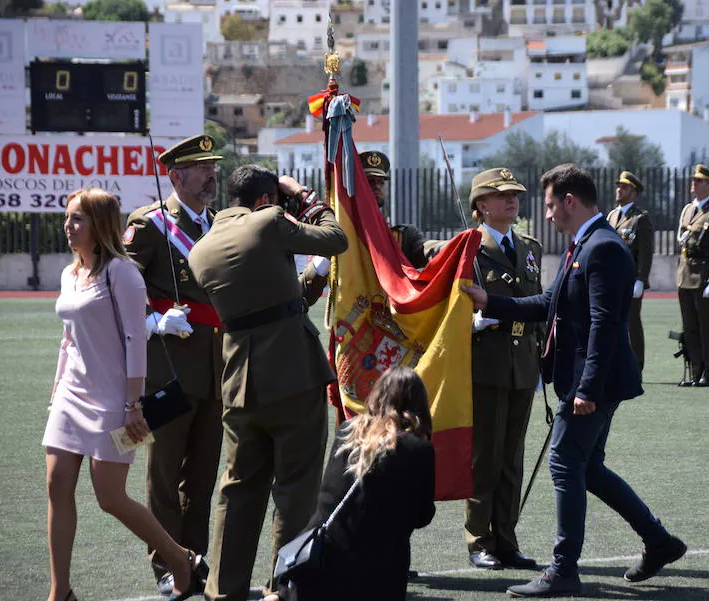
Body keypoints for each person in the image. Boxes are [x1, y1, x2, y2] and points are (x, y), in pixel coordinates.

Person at [462, 164, 685, 598]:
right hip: (589, 380)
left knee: (565, 463)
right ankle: (659, 541)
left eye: (549, 205)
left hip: (592, 384)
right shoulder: (584, 244)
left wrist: (586, 389)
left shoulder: (602, 247)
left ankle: (564, 569)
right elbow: (549, 301)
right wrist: (492, 301)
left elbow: (604, 323)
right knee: (590, 470)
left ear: (569, 201)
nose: (545, 215)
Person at [187, 164, 348, 601]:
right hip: (293, 376)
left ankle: (224, 589)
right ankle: (286, 585)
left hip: (239, 383)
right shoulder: (269, 220)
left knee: (238, 489)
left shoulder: (200, 250)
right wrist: (306, 196)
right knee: (296, 489)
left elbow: (257, 302)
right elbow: (336, 239)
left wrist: (300, 286)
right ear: (264, 199)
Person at [43, 189, 207, 601]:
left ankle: (180, 558)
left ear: (100, 224)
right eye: (67, 218)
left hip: (117, 399)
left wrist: (133, 405)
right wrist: (56, 387)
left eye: (77, 219)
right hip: (70, 395)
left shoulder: (123, 273)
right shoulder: (69, 274)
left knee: (110, 497)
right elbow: (68, 339)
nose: (68, 226)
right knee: (56, 483)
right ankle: (60, 592)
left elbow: (136, 340)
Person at [123, 134, 225, 595]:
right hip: (167, 369)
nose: (212, 176)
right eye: (203, 168)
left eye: (214, 167)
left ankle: (194, 559)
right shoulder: (149, 226)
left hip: (218, 369)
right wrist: (153, 320)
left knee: (203, 474)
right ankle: (166, 565)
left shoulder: (222, 225)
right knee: (164, 473)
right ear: (175, 175)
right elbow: (118, 289)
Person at [289, 366, 436, 601]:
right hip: (377, 571)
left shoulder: (347, 431)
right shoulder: (417, 449)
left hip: (321, 558)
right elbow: (422, 516)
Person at [464, 168, 542, 571]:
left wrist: (542, 358)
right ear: (481, 206)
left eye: (514, 194)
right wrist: (470, 323)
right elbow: (450, 308)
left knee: (513, 458)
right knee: (486, 457)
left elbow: (538, 305)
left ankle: (507, 540)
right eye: (501, 195)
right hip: (486, 363)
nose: (511, 200)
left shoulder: (530, 247)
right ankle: (480, 540)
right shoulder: (468, 248)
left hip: (522, 365)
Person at [300, 150, 437, 298]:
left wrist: (459, 244)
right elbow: (306, 293)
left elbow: (428, 249)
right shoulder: (335, 234)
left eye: (381, 182)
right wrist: (326, 255)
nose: (377, 186)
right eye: (370, 181)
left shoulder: (403, 237)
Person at [676, 164, 709, 387]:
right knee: (690, 327)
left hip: (704, 276)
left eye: (699, 180)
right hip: (685, 275)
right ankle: (695, 373)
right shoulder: (688, 210)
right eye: (694, 179)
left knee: (707, 327)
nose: (693, 183)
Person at [607, 171, 653, 373]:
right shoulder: (611, 215)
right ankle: (617, 363)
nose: (619, 190)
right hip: (612, 279)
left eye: (624, 187)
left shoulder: (640, 218)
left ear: (633, 193)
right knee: (613, 323)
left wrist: (641, 279)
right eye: (618, 186)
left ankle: (636, 365)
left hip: (630, 279)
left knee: (632, 323)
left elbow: (646, 251)